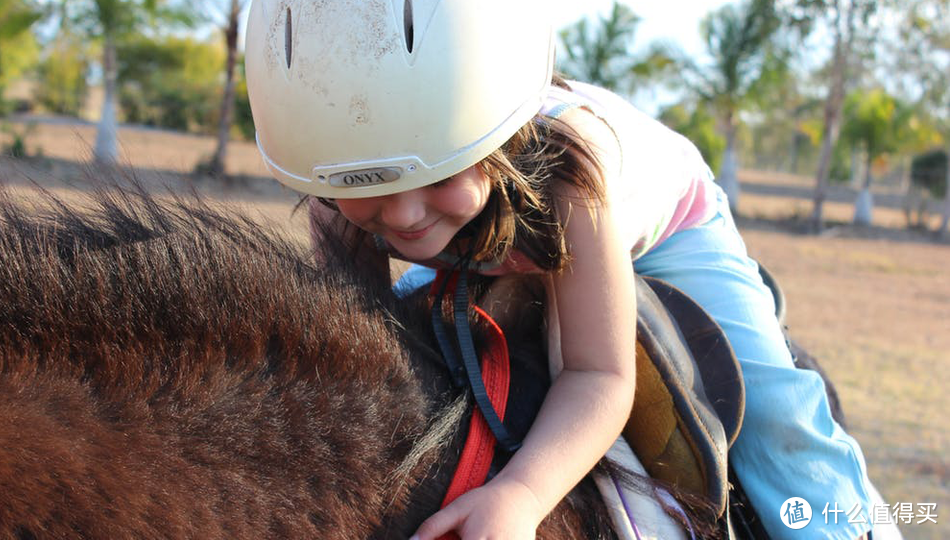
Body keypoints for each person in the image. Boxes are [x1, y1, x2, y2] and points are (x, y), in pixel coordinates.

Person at [243, 1, 874, 538]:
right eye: (368, 184)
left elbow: (598, 374)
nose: (405, 216)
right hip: (487, 243)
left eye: (438, 172)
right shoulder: (337, 205)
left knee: (777, 413)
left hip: (666, 228)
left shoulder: (573, 178)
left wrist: (519, 496)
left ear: (501, 141)